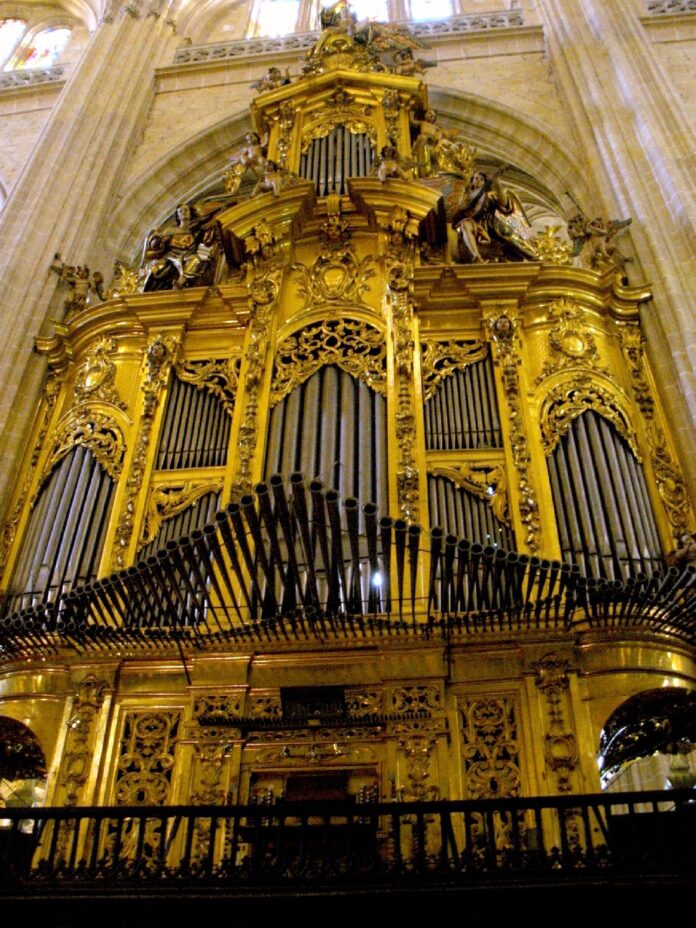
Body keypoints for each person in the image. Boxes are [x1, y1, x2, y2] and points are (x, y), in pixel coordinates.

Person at [451, 170, 539, 263]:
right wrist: (462, 208)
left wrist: (497, 182)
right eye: (476, 178)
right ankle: (476, 257)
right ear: (472, 180)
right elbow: (455, 216)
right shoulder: (465, 196)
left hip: (490, 224)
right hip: (472, 223)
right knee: (465, 225)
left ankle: (531, 255)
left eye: (481, 179)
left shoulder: (488, 195)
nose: (478, 181)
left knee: (510, 236)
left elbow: (504, 203)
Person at [142, 203, 217, 290]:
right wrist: (156, 238)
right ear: (177, 216)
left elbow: (206, 239)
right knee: (159, 268)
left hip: (189, 256)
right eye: (180, 211)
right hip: (172, 256)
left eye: (186, 210)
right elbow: (158, 245)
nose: (183, 212)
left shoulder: (194, 231)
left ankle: (179, 283)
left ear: (190, 213)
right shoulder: (170, 230)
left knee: (196, 260)